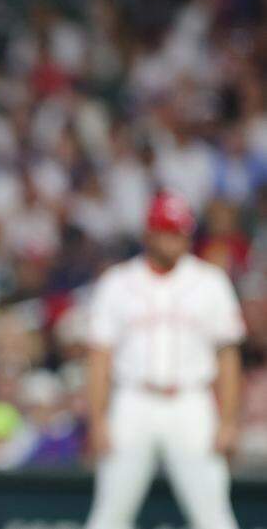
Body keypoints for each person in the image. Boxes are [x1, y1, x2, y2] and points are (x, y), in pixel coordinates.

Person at [84, 192, 244, 529]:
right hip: (133, 401)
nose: (174, 239)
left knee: (214, 516)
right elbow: (100, 358)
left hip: (191, 402)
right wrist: (97, 419)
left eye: (180, 231)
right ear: (149, 233)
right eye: (167, 230)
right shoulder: (117, 283)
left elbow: (228, 356)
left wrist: (228, 420)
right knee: (109, 517)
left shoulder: (210, 282)